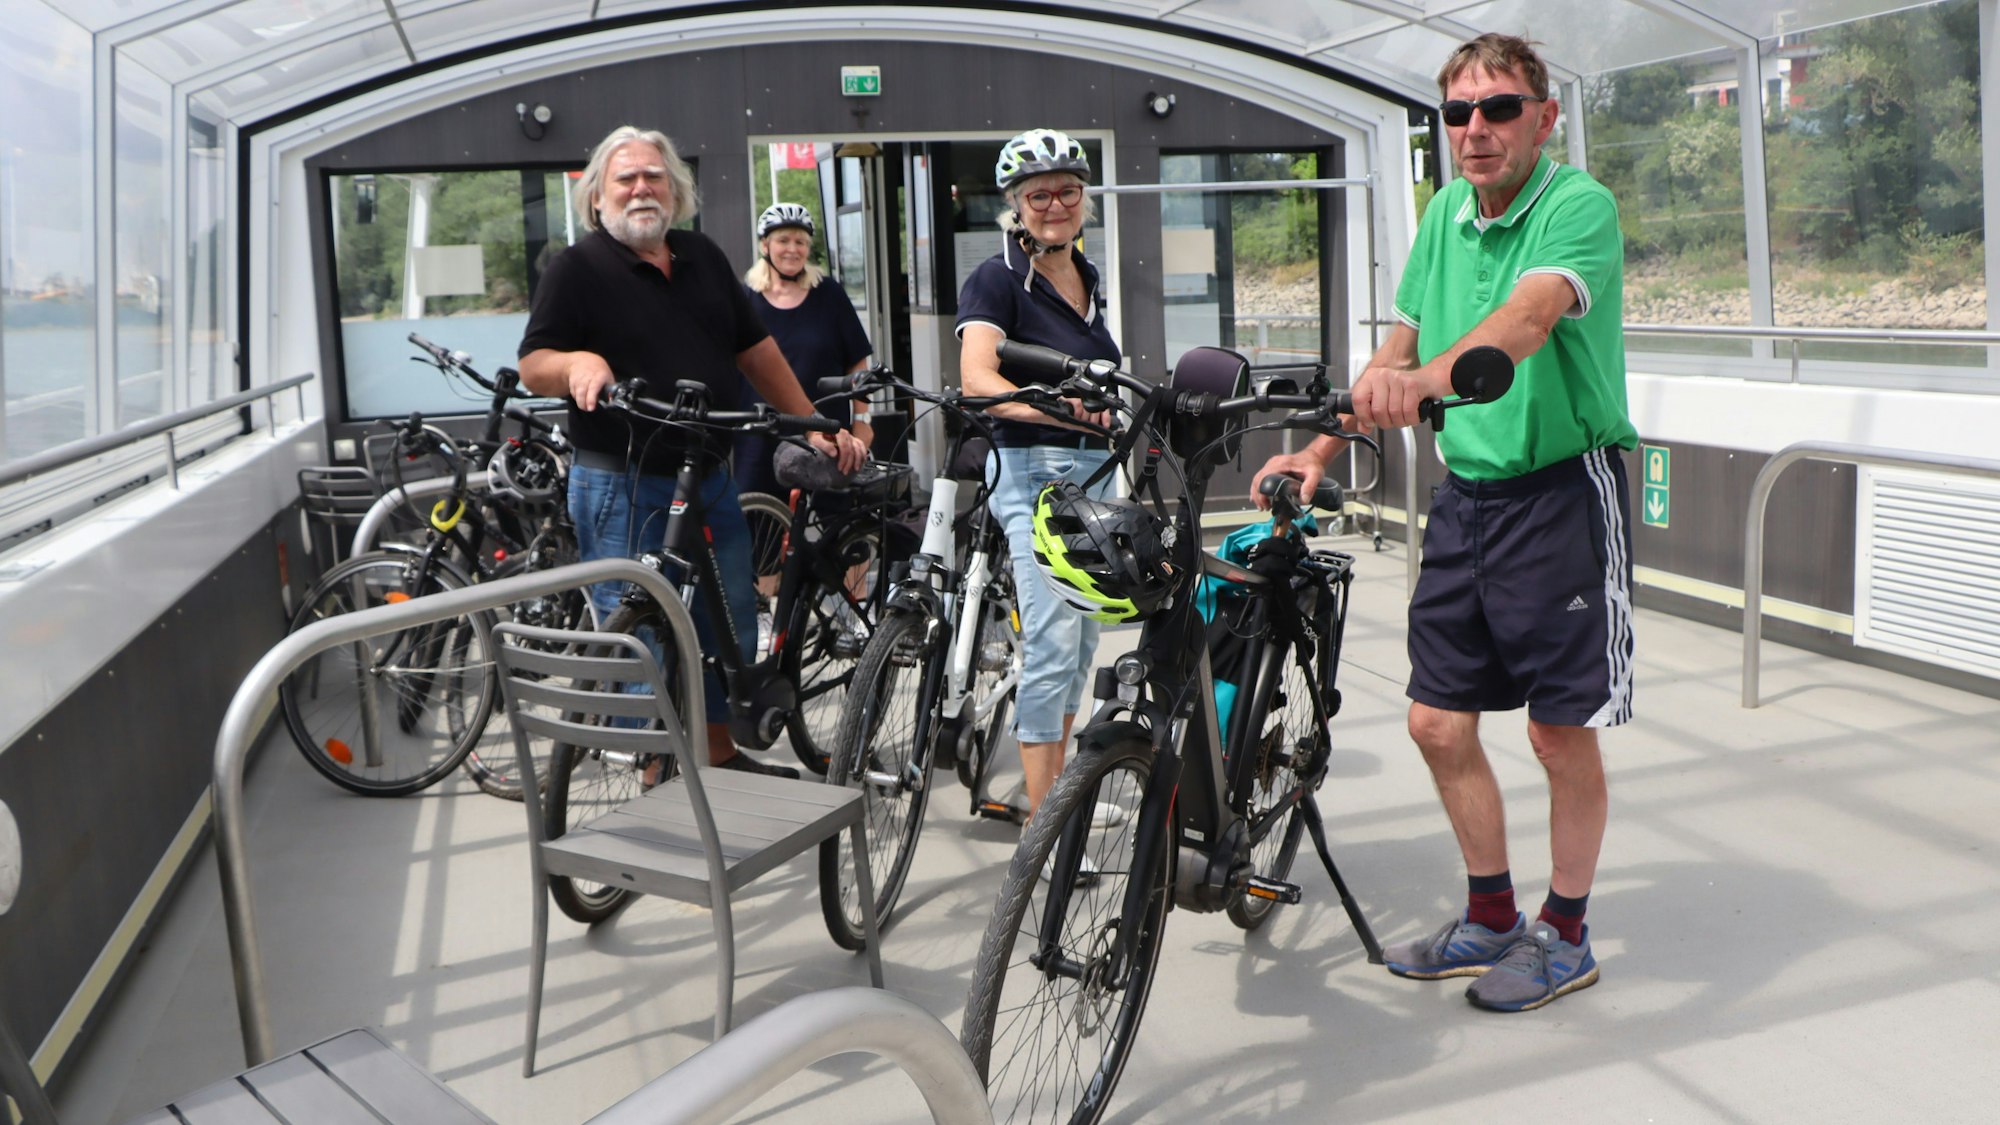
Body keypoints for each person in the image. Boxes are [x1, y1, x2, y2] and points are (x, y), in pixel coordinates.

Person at [1251, 33, 1636, 1012]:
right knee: (1433, 722)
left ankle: (1565, 933)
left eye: (1497, 108)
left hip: (1559, 494)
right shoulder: (1442, 217)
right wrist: (1318, 449)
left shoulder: (1574, 205)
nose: (1473, 130)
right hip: (1465, 502)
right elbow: (1401, 345)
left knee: (1556, 736)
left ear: (1541, 119)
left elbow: (1526, 320)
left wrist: (1424, 386)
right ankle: (1491, 916)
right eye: (1456, 112)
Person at [518, 125, 866, 780]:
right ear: (597, 196)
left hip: (707, 473)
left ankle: (718, 753)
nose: (641, 188)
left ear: (675, 191)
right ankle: (656, 771)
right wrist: (578, 363)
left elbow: (755, 349)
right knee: (642, 631)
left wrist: (809, 422)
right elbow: (535, 363)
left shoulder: (703, 257)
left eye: (654, 176)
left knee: (726, 618)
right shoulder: (576, 269)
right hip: (621, 481)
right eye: (626, 178)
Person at [956, 128, 1116, 826]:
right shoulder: (997, 277)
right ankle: (1042, 827)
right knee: (1050, 642)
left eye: (1068, 190)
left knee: (1081, 637)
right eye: (1039, 194)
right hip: (1032, 471)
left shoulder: (1086, 274)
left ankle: (1059, 799)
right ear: (1016, 205)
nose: (1056, 203)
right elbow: (976, 378)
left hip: (1094, 475)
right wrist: (1054, 411)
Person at [737, 202, 875, 496]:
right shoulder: (745, 298)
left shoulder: (829, 294)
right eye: (783, 240)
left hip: (826, 432)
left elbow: (857, 363)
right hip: (761, 435)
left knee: (830, 523)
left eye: (800, 242)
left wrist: (863, 421)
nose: (792, 249)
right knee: (759, 524)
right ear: (765, 245)